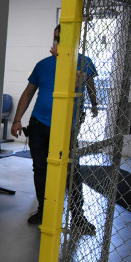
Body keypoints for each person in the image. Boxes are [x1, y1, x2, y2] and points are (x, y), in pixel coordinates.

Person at [10, 24, 97, 232]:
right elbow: (28, 93)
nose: (55, 42)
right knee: (40, 169)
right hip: (40, 124)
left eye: (59, 39)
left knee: (71, 172)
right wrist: (17, 119)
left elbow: (88, 86)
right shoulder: (43, 64)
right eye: (54, 38)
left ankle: (78, 216)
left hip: (67, 127)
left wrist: (94, 105)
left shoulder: (83, 63)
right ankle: (44, 210)